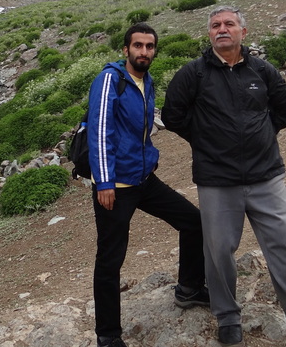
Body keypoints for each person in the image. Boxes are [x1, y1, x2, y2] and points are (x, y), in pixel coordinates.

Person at [161, 6, 286, 347]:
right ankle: (227, 317)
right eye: (215, 25)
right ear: (209, 34)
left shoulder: (262, 70)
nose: (222, 29)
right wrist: (205, 139)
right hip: (217, 180)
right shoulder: (193, 74)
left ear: (243, 31)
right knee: (219, 251)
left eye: (229, 24)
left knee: (285, 246)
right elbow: (173, 115)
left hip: (266, 176)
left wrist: (263, 132)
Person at [87, 22, 208, 347]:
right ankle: (108, 336)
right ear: (126, 49)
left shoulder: (146, 80)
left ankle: (189, 288)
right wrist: (103, 182)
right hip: (116, 187)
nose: (144, 51)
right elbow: (99, 131)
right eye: (138, 46)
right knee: (110, 260)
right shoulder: (111, 79)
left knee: (193, 222)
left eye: (149, 46)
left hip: (143, 179)